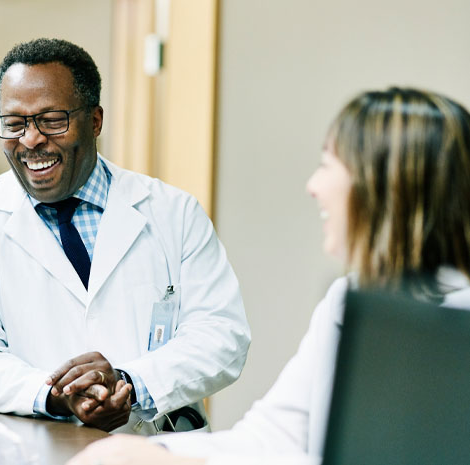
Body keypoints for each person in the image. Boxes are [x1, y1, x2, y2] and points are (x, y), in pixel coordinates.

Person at [66, 87, 470, 463]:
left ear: (385, 188)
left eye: (329, 165)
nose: (314, 185)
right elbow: (274, 435)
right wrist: (154, 454)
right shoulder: (351, 300)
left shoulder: (450, 326)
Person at [0, 38, 250, 434]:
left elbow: (222, 336)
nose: (30, 140)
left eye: (51, 120)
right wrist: (56, 395)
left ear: (95, 120)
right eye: (14, 123)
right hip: (41, 447)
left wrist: (128, 383)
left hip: (157, 448)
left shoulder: (173, 212)